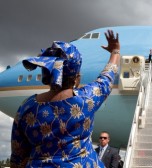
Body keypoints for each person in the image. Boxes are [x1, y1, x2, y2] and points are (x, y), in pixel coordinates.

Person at [10, 30, 120, 168]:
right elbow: (107, 77)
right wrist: (115, 52)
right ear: (76, 77)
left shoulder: (26, 107)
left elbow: (18, 156)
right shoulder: (86, 99)